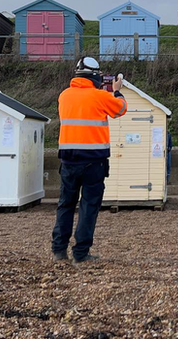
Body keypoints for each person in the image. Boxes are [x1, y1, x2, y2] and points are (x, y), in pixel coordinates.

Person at [51, 57, 127, 265]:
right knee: (88, 206)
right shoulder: (100, 96)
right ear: (95, 76)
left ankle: (59, 250)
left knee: (65, 204)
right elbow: (120, 109)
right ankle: (81, 253)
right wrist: (116, 90)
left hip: (68, 161)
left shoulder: (64, 96)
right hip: (94, 162)